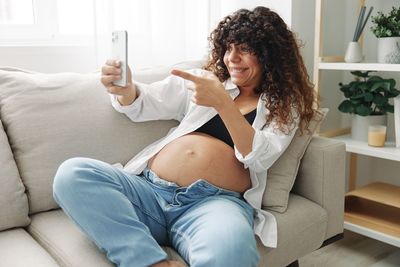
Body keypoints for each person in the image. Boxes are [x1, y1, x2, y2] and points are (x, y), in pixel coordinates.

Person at [53, 6, 318, 267]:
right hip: (149, 191)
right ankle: (150, 262)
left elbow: (260, 158)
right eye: (229, 48)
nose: (232, 58)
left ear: (270, 55)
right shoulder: (204, 81)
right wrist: (126, 88)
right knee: (72, 173)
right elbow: (144, 103)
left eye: (245, 49)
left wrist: (223, 104)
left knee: (232, 251)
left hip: (213, 204)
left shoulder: (284, 105)